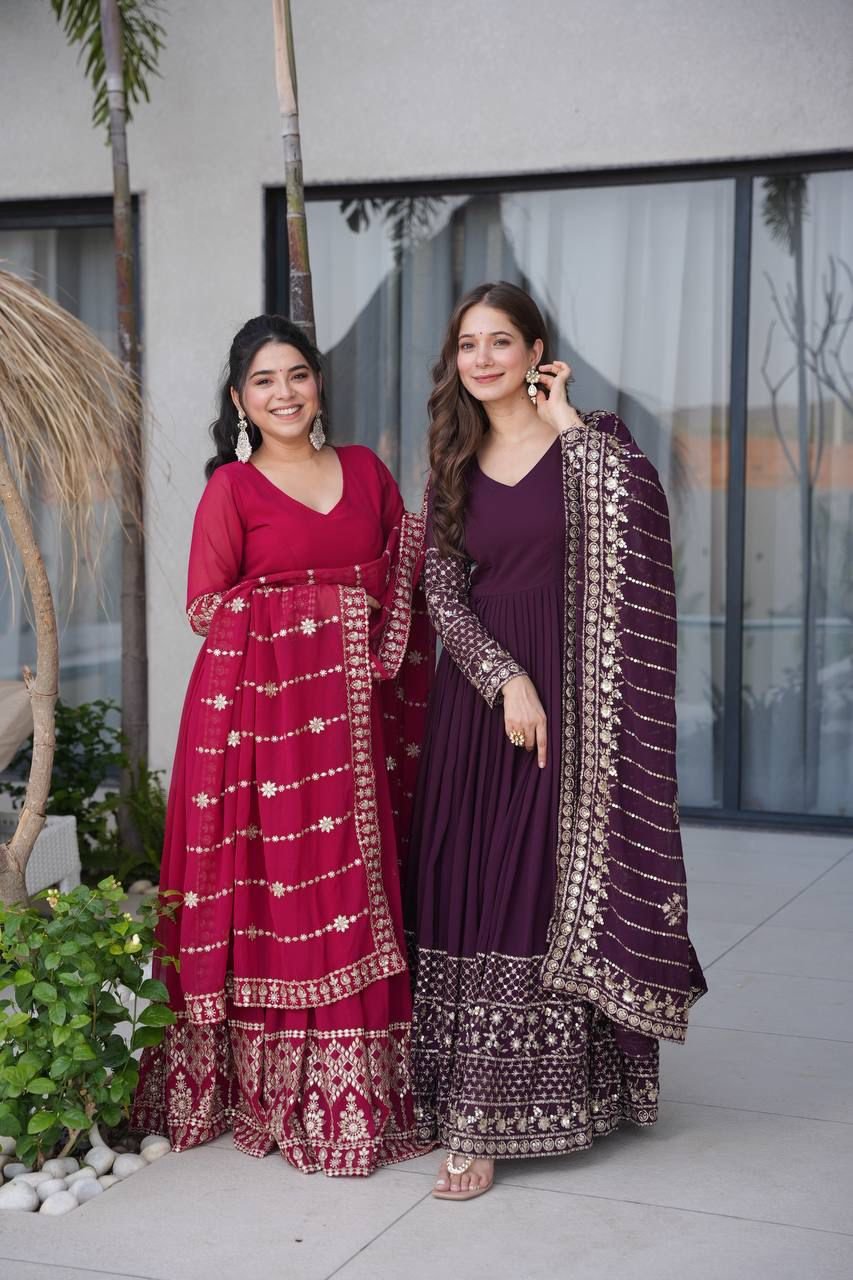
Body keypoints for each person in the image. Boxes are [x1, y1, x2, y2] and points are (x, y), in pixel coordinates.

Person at [405, 282, 706, 1201]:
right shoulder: (453, 459)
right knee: (473, 887)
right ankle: (470, 1103)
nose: (482, 359)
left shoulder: (593, 444)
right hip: (484, 704)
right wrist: (504, 678)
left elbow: (641, 526)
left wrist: (566, 420)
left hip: (581, 708)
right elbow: (440, 590)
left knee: (537, 892)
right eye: (468, 344)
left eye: (501, 340)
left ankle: (529, 1105)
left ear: (538, 351)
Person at [132, 314, 432, 1177]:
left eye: (297, 374)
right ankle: (268, 1090)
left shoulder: (367, 472)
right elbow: (206, 607)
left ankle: (370, 1088)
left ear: (318, 383)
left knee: (368, 888)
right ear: (239, 400)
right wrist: (331, 605)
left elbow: (409, 581)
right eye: (264, 381)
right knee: (285, 899)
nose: (284, 392)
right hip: (263, 739)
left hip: (364, 728)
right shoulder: (232, 489)